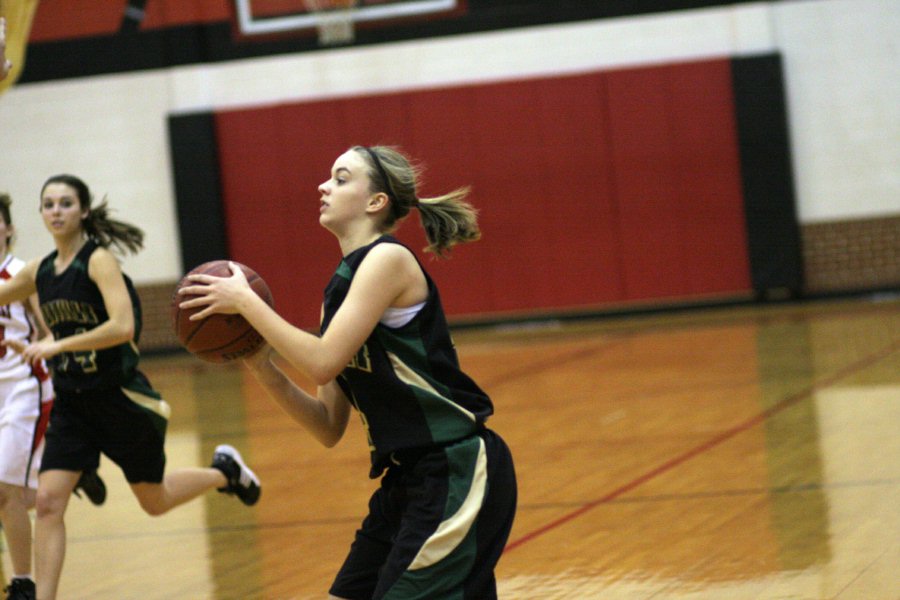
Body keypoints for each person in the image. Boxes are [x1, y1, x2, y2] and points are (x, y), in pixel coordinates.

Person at [180, 145, 518, 599]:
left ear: (376, 202)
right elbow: (328, 425)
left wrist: (245, 302)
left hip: (454, 470)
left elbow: (322, 360)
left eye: (341, 178)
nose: (323, 186)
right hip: (406, 480)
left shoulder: (387, 260)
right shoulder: (337, 292)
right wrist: (260, 363)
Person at [0, 174, 262, 600]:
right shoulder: (40, 270)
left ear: (83, 210)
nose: (56, 211)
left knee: (154, 501)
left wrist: (57, 344)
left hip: (118, 399)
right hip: (72, 405)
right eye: (48, 204)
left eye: (65, 203)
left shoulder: (98, 260)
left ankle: (223, 472)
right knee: (48, 503)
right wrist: (40, 343)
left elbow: (123, 327)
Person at [0, 193, 53, 600]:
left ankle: (23, 583)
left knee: (3, 490)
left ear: (10, 228)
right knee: (14, 495)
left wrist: (41, 348)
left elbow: (52, 333)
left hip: (25, 385)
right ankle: (65, 477)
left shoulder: (23, 274)